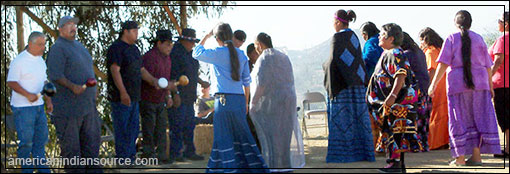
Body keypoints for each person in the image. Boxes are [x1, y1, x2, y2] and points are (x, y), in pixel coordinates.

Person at [193, 22, 269, 173]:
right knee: (243, 137)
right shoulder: (241, 54)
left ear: (217, 38)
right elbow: (247, 82)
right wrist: (246, 103)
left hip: (223, 101)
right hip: (239, 101)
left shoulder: (216, 52)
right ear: (231, 35)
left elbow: (196, 52)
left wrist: (207, 35)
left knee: (223, 139)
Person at [428, 10, 501, 166]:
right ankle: (476, 157)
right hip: (480, 85)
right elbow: (488, 65)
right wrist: (490, 86)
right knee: (477, 119)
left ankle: (460, 158)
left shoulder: (451, 38)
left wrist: (433, 84)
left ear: (455, 22)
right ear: (470, 23)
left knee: (458, 119)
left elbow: (443, 64)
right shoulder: (479, 38)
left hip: (458, 85)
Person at [46, 16, 102, 172]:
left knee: (92, 149)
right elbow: (55, 75)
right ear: (60, 29)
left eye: (74, 24)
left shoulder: (79, 46)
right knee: (72, 153)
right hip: (68, 110)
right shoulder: (58, 48)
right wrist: (73, 86)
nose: (73, 27)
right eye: (68, 25)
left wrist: (94, 86)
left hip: (88, 107)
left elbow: (89, 69)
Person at [366, 23, 423, 173]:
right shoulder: (389, 53)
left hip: (398, 103)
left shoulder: (395, 53)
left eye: (382, 34)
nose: (379, 36)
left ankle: (394, 164)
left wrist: (392, 95)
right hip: (394, 103)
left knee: (395, 132)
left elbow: (401, 74)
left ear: (391, 38)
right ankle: (397, 165)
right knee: (396, 132)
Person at [323, 9, 375, 163]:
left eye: (333, 22)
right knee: (358, 118)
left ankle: (343, 155)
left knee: (342, 120)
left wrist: (324, 66)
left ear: (338, 22)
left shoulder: (337, 38)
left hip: (342, 88)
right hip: (357, 84)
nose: (333, 25)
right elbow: (354, 60)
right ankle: (362, 152)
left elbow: (334, 61)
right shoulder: (353, 36)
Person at [106, 20, 161, 165]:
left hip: (135, 96)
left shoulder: (135, 49)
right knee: (122, 129)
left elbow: (141, 71)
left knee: (133, 129)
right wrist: (123, 92)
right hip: (120, 98)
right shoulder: (116, 48)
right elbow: (114, 70)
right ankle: (123, 159)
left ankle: (130, 158)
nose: (137, 33)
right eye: (134, 30)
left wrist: (153, 80)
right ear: (126, 31)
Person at [249, 32, 306, 172]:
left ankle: (274, 168)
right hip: (288, 102)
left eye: (256, 46)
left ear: (260, 45)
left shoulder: (264, 59)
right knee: (285, 138)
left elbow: (261, 84)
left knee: (273, 140)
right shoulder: (283, 57)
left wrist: (253, 103)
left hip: (273, 104)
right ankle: (286, 167)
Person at [7, 32, 52, 173]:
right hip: (23, 108)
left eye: (44, 44)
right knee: (26, 143)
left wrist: (48, 100)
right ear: (31, 44)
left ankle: (43, 170)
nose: (43, 47)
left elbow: (44, 81)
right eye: (40, 45)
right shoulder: (19, 61)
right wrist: (27, 94)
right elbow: (11, 82)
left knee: (41, 140)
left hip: (39, 106)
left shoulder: (40, 60)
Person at [139, 30, 177, 164]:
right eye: (167, 44)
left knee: (161, 127)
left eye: (171, 44)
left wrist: (168, 96)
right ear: (159, 43)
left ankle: (162, 155)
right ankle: (148, 155)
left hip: (160, 99)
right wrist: (166, 86)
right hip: (148, 98)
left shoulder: (168, 59)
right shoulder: (149, 57)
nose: (170, 47)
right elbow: (152, 81)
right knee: (148, 128)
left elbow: (165, 79)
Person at [168, 28, 205, 162]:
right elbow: (172, 76)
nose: (193, 44)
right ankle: (176, 153)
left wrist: (201, 81)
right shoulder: (175, 54)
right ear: (184, 40)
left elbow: (191, 74)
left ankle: (189, 151)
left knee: (189, 125)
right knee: (177, 125)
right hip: (179, 95)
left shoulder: (191, 54)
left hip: (189, 96)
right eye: (191, 42)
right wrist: (174, 94)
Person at [419, 27, 450, 150]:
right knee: (443, 114)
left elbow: (431, 71)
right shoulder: (440, 49)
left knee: (435, 114)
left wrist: (430, 87)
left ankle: (436, 143)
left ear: (425, 40)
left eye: (421, 40)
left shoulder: (430, 52)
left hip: (436, 85)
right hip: (444, 84)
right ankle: (443, 141)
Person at [401, 32, 431, 152]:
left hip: (414, 91)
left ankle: (414, 146)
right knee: (423, 120)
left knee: (413, 119)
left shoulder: (406, 54)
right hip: (424, 89)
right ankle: (424, 144)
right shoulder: (419, 52)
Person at [490, 11, 509, 159]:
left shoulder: (503, 39)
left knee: (505, 116)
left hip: (503, 83)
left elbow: (498, 60)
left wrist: (487, 76)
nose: (498, 23)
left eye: (499, 21)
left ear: (506, 23)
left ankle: (508, 149)